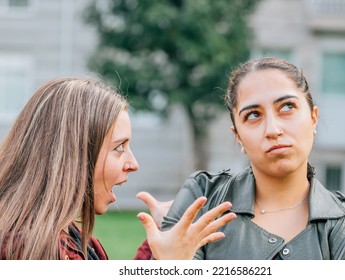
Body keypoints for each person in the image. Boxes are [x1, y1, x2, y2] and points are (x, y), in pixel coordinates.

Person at [161, 57, 345, 260]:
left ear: (313, 119)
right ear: (238, 136)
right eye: (254, 115)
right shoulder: (202, 196)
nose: (273, 129)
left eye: (287, 107)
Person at [0, 77, 236, 260]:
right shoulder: (34, 250)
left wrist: (161, 244)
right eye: (119, 148)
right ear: (76, 155)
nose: (133, 164)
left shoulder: (66, 239)